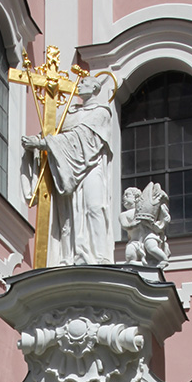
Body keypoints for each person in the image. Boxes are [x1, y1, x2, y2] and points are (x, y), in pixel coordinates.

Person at [21, 72, 114, 265]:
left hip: (92, 167)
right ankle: (71, 255)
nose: (79, 86)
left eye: (84, 82)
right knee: (70, 215)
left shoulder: (102, 112)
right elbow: (51, 130)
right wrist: (39, 141)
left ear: (95, 88)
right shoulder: (70, 112)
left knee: (94, 206)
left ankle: (99, 257)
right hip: (67, 168)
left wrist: (45, 144)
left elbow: (86, 137)